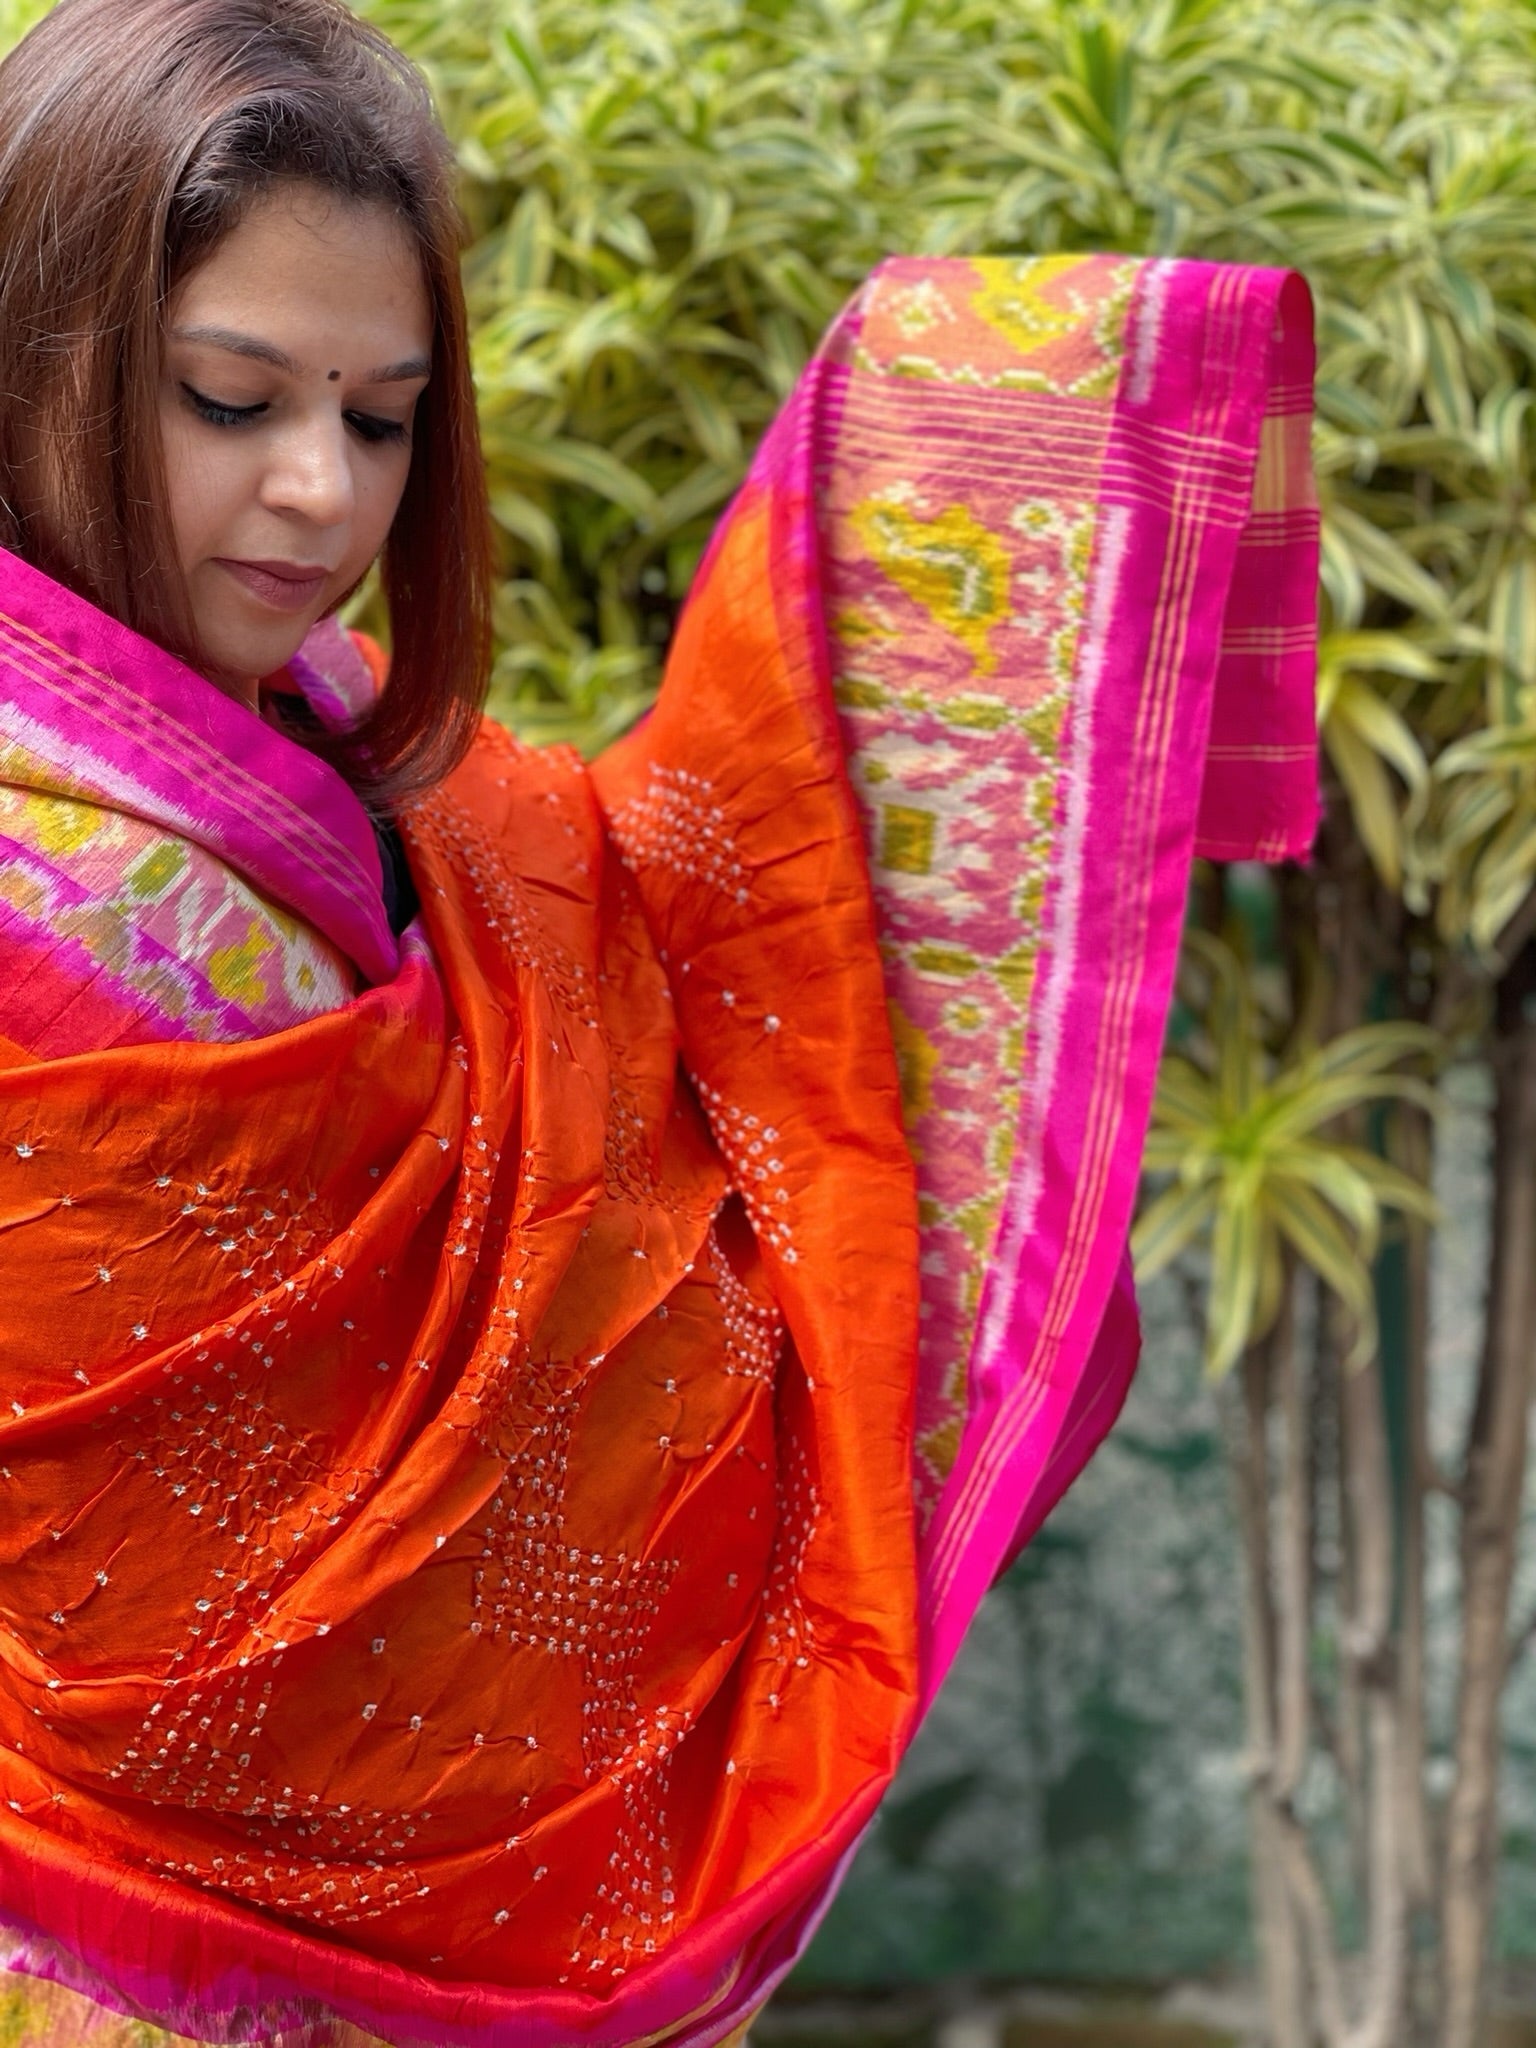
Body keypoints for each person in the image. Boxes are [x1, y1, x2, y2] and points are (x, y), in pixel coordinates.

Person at [0, 1, 1320, 2043]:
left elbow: (689, 913)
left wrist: (984, 457)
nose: (316, 491)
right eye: (225, 395)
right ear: (35, 361)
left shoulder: (387, 770)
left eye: (381, 415)